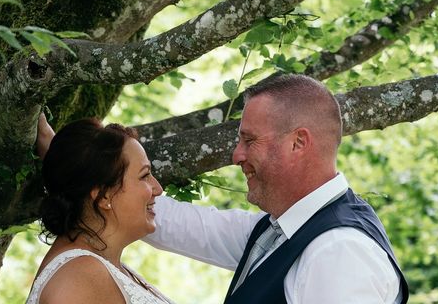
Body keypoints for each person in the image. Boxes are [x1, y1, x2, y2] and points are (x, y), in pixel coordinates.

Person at [143, 74, 409, 303]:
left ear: (298, 143)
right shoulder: (284, 228)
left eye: (250, 140)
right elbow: (187, 227)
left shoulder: (339, 250)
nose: (237, 155)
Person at [28, 116, 175, 304]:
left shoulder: (99, 266)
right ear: (104, 196)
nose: (158, 188)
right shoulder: (78, 278)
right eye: (144, 175)